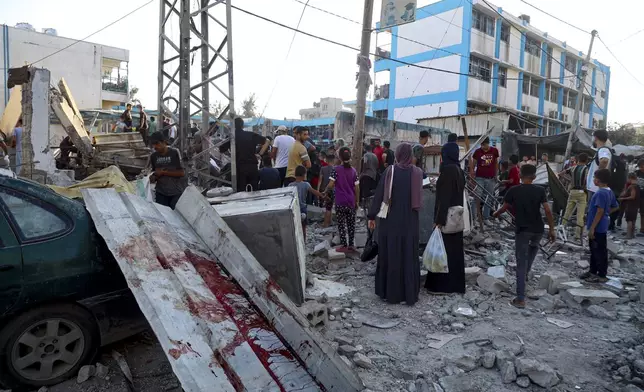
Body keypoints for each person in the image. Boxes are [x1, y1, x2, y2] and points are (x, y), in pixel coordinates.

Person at [368, 143, 423, 306]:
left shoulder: (390, 171)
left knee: (391, 253)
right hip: (410, 221)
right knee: (408, 254)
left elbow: (379, 195)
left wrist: (371, 215)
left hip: (390, 220)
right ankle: (409, 293)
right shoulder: (417, 173)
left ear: (398, 154)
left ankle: (390, 293)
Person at [493, 164, 556, 308]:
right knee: (533, 248)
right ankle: (526, 275)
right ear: (534, 177)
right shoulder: (540, 190)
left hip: (523, 230)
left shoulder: (514, 190)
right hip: (538, 229)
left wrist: (496, 214)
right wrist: (552, 230)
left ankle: (520, 298)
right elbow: (547, 211)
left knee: (520, 262)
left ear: (520, 176)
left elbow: (504, 207)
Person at [425, 141, 466, 294]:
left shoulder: (448, 170)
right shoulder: (459, 170)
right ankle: (455, 286)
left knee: (442, 251)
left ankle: (441, 286)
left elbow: (444, 198)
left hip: (447, 218)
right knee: (455, 252)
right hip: (457, 218)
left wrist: (438, 220)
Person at [581, 168, 618, 283]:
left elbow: (600, 211)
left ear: (598, 180)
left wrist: (592, 227)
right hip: (601, 225)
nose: (593, 180)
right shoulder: (609, 191)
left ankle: (601, 275)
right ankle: (592, 271)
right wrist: (607, 213)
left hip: (597, 227)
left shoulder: (601, 193)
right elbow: (615, 206)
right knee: (594, 249)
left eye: (594, 178)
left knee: (599, 251)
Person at [323, 147, 359, 252]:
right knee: (351, 224)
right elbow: (357, 188)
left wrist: (325, 192)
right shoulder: (353, 171)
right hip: (351, 201)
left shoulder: (336, 169)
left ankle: (344, 245)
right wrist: (357, 201)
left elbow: (330, 185)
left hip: (340, 201)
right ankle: (351, 245)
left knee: (341, 224)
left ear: (340, 158)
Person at [219, 118, 269, 192]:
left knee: (241, 191)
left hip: (239, 168)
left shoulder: (231, 137)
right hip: (252, 166)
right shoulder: (251, 134)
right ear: (242, 125)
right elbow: (267, 141)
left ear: (233, 126)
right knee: (254, 190)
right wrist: (260, 154)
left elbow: (221, 149)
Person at [149, 132, 188, 209]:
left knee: (176, 217)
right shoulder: (153, 156)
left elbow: (181, 173)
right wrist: (153, 177)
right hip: (161, 193)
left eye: (157, 143)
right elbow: (155, 173)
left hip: (175, 193)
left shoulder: (174, 153)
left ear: (164, 142)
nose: (155, 146)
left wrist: (163, 172)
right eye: (153, 144)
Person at [289, 165, 326, 239]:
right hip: (303, 208)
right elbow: (314, 192)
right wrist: (323, 196)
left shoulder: (290, 185)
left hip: (294, 209)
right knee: (303, 227)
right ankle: (304, 243)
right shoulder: (306, 184)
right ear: (304, 175)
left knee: (294, 227)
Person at [563, 153, 590, 241]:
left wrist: (570, 181)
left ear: (578, 159)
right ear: (586, 160)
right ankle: (577, 236)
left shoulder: (573, 168)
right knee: (580, 215)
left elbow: (560, 174)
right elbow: (587, 181)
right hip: (582, 193)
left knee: (567, 213)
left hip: (572, 191)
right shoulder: (586, 169)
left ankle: (561, 229)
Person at [472, 137, 499, 220]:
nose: (483, 147)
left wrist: (496, 174)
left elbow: (496, 163)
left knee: (489, 198)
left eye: (485, 145)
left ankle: (486, 217)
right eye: (482, 145)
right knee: (477, 197)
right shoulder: (477, 152)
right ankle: (474, 218)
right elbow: (473, 164)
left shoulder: (494, 151)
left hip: (491, 178)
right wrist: (472, 174)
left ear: (488, 143)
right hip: (480, 178)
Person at [619, 173, 640, 239]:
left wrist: (623, 198)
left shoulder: (632, 186)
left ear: (630, 178)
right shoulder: (637, 186)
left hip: (630, 205)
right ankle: (632, 234)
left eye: (628, 179)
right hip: (635, 205)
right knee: (633, 220)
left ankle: (628, 235)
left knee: (629, 221)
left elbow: (632, 196)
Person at [318, 151, 335, 227]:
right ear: (333, 160)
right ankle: (330, 221)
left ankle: (325, 223)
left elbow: (320, 180)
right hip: (332, 190)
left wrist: (318, 190)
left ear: (326, 160)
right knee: (330, 206)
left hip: (324, 189)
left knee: (327, 207)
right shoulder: (335, 169)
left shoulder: (323, 168)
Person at [636, 159, 644, 234]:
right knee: (634, 212)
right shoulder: (637, 173)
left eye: (642, 166)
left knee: (642, 213)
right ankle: (632, 228)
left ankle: (642, 229)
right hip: (637, 195)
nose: (641, 168)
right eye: (640, 167)